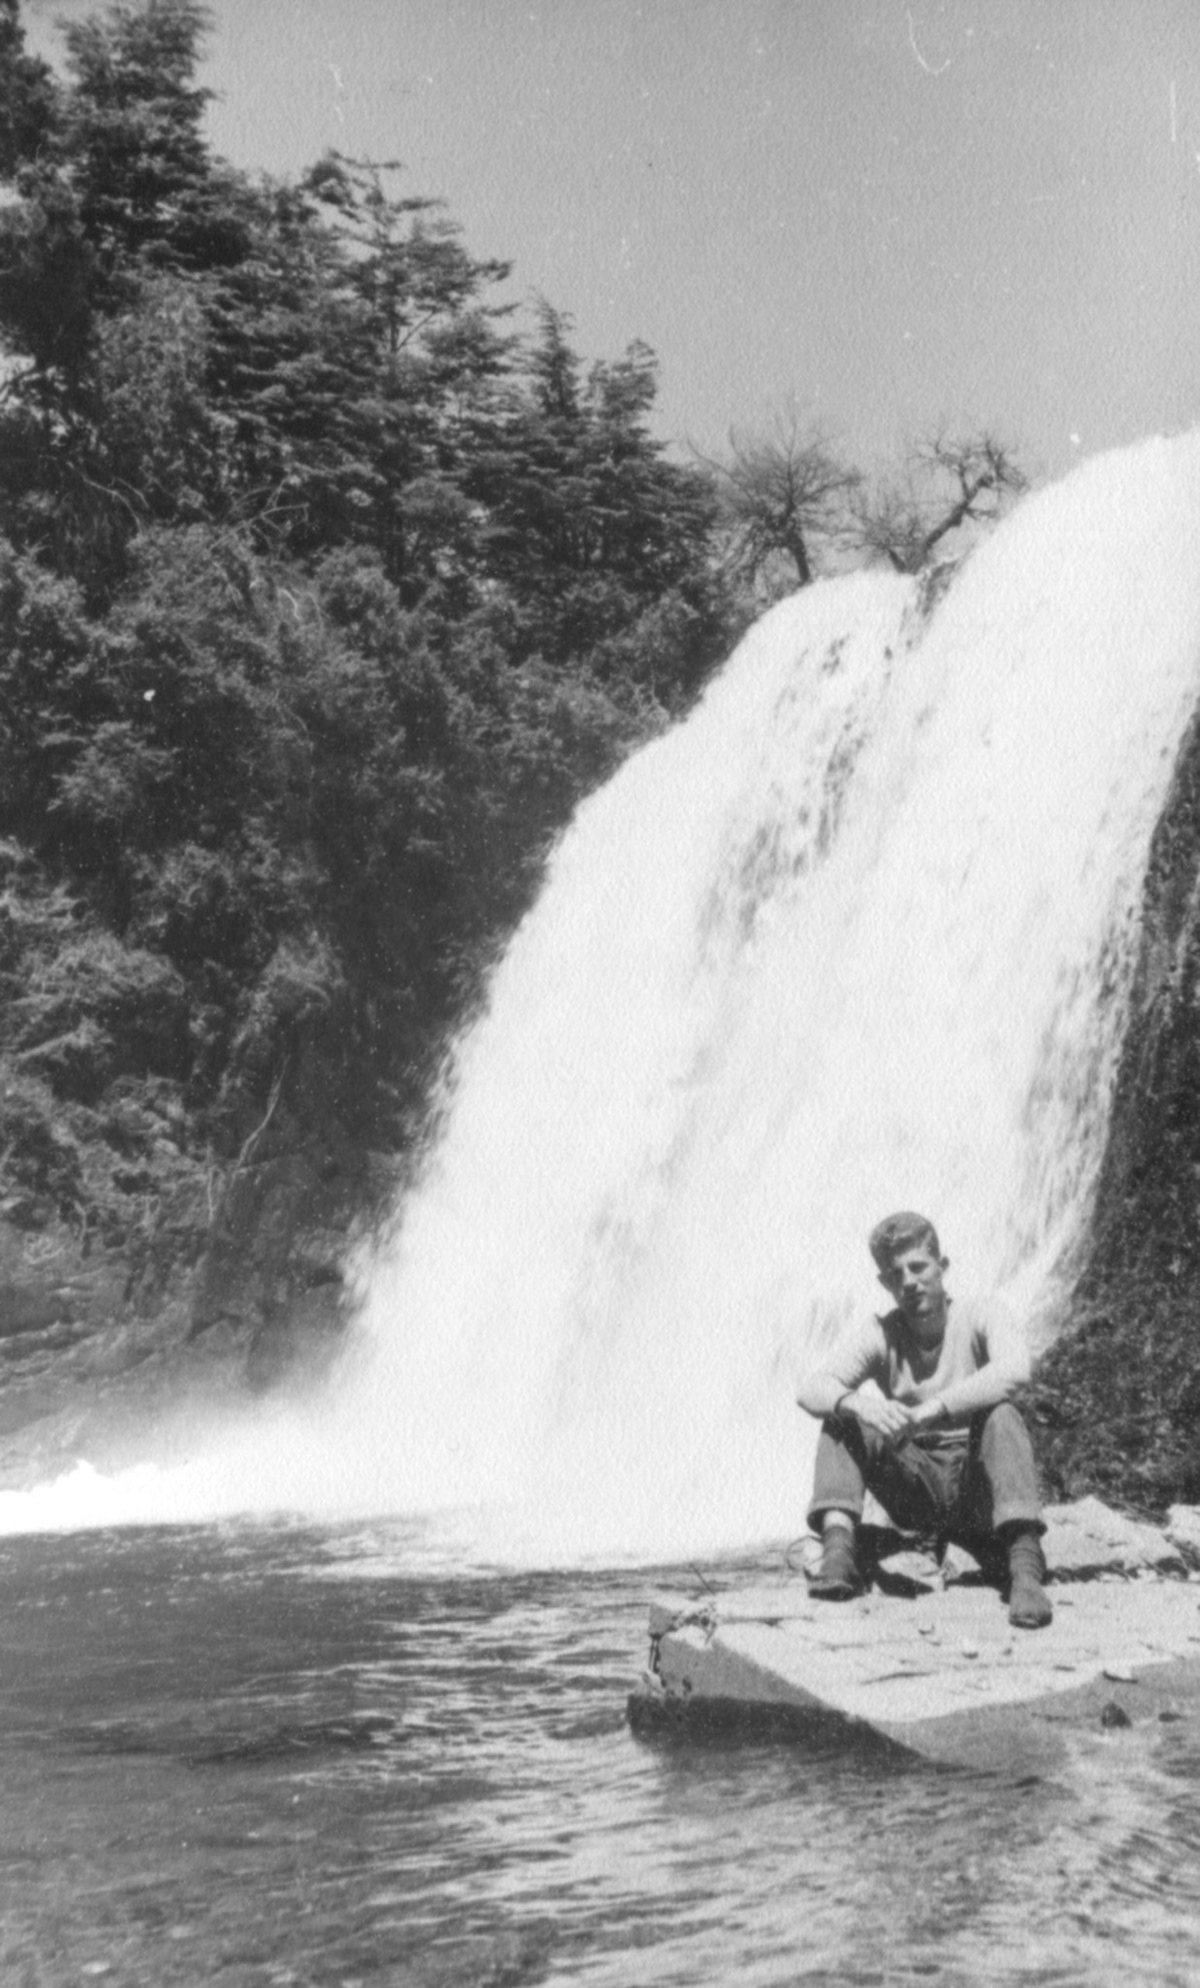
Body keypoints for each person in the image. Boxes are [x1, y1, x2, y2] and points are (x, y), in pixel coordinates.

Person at [794, 1210, 1052, 1629]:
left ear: (942, 1267)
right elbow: (810, 1389)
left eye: (919, 1267)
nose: (909, 1282)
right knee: (840, 1418)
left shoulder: (981, 1312)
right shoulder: (881, 1332)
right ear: (885, 1284)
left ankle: (1025, 1571)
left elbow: (1016, 1370)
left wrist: (937, 1407)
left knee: (1002, 1414)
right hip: (915, 1487)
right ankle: (839, 1553)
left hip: (977, 1485)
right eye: (896, 1274)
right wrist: (859, 1403)